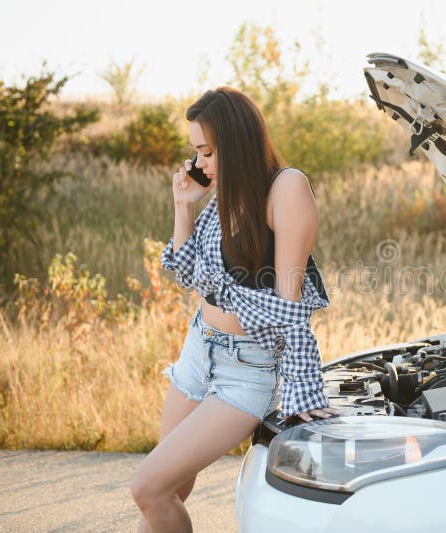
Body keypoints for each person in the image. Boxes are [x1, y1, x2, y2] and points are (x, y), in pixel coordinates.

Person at [130, 86, 340, 532]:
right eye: (196, 152)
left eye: (206, 151)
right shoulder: (225, 198)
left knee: (147, 487)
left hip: (246, 372)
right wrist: (184, 207)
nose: (199, 164)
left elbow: (290, 306)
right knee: (171, 490)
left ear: (235, 142)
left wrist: (303, 388)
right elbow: (188, 275)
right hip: (198, 352)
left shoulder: (286, 188)